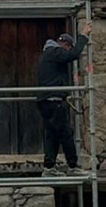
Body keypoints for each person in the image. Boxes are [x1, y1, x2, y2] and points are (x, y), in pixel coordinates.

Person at [36, 20, 91, 174]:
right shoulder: (55, 52)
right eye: (69, 47)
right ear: (65, 44)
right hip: (54, 101)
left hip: (45, 101)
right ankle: (73, 167)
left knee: (51, 134)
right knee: (66, 133)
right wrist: (83, 36)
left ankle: (49, 167)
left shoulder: (47, 54)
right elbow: (73, 55)